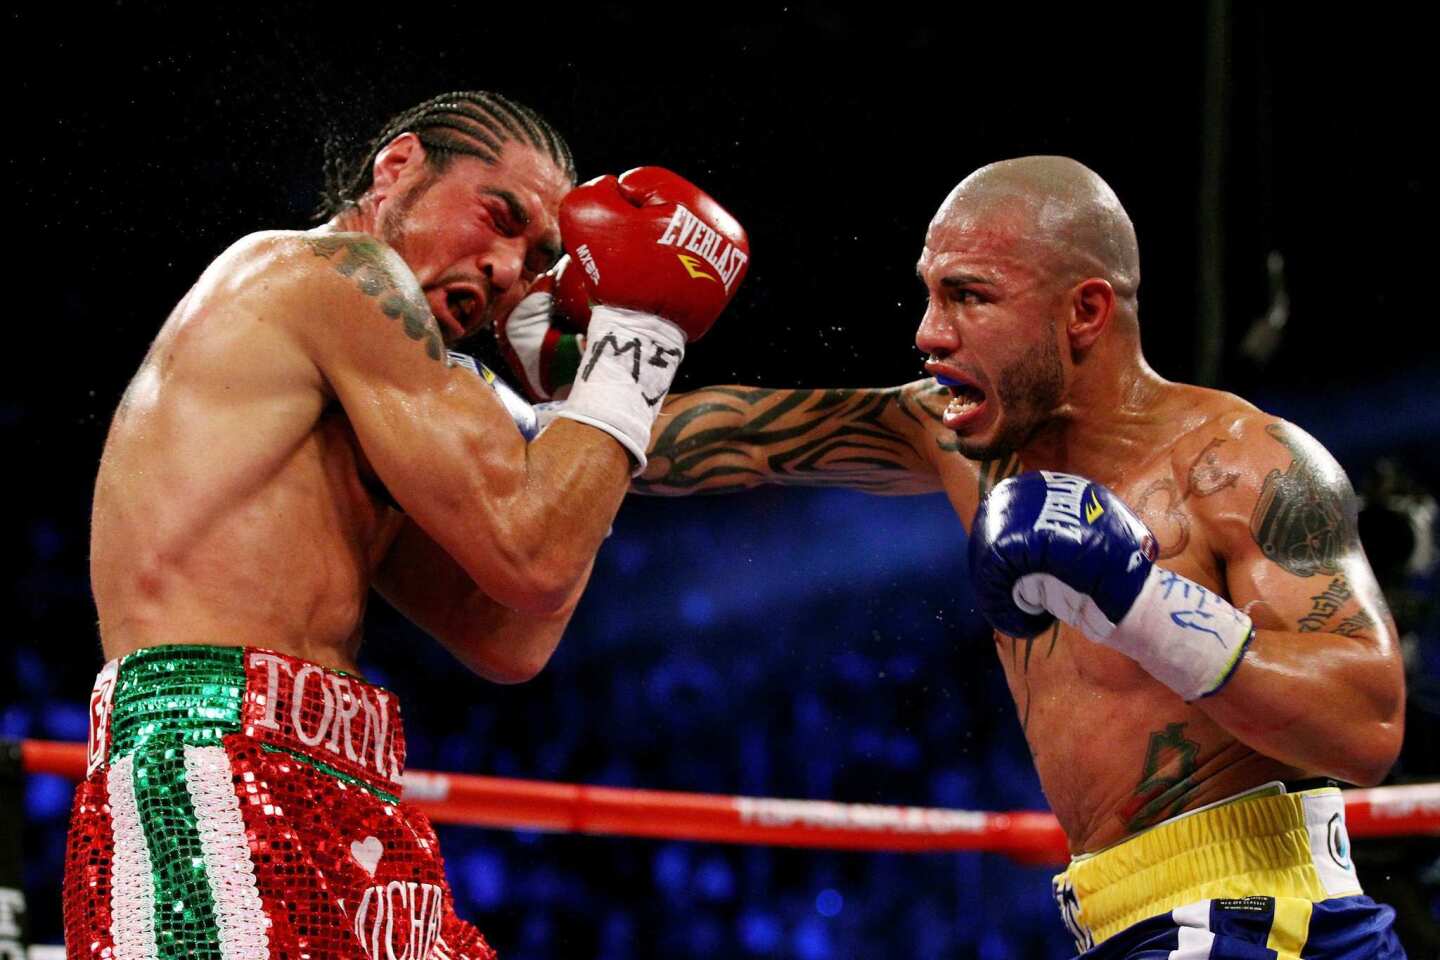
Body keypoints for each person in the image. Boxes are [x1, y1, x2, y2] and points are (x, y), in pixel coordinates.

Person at [500, 156, 1407, 957]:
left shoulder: (1240, 463)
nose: (929, 333)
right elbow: (708, 442)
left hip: (1259, 915)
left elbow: (1367, 726)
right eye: (931, 293)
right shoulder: (957, 435)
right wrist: (558, 376)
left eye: (969, 297)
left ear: (1085, 311)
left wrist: (1140, 599)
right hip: (1145, 918)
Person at [67, 90, 749, 960]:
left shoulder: (374, 404)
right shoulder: (333, 272)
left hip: (348, 787)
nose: (510, 269)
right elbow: (533, 556)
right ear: (397, 169)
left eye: (539, 258)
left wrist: (589, 406)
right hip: (207, 765)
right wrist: (634, 345)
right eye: (498, 218)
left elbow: (513, 633)